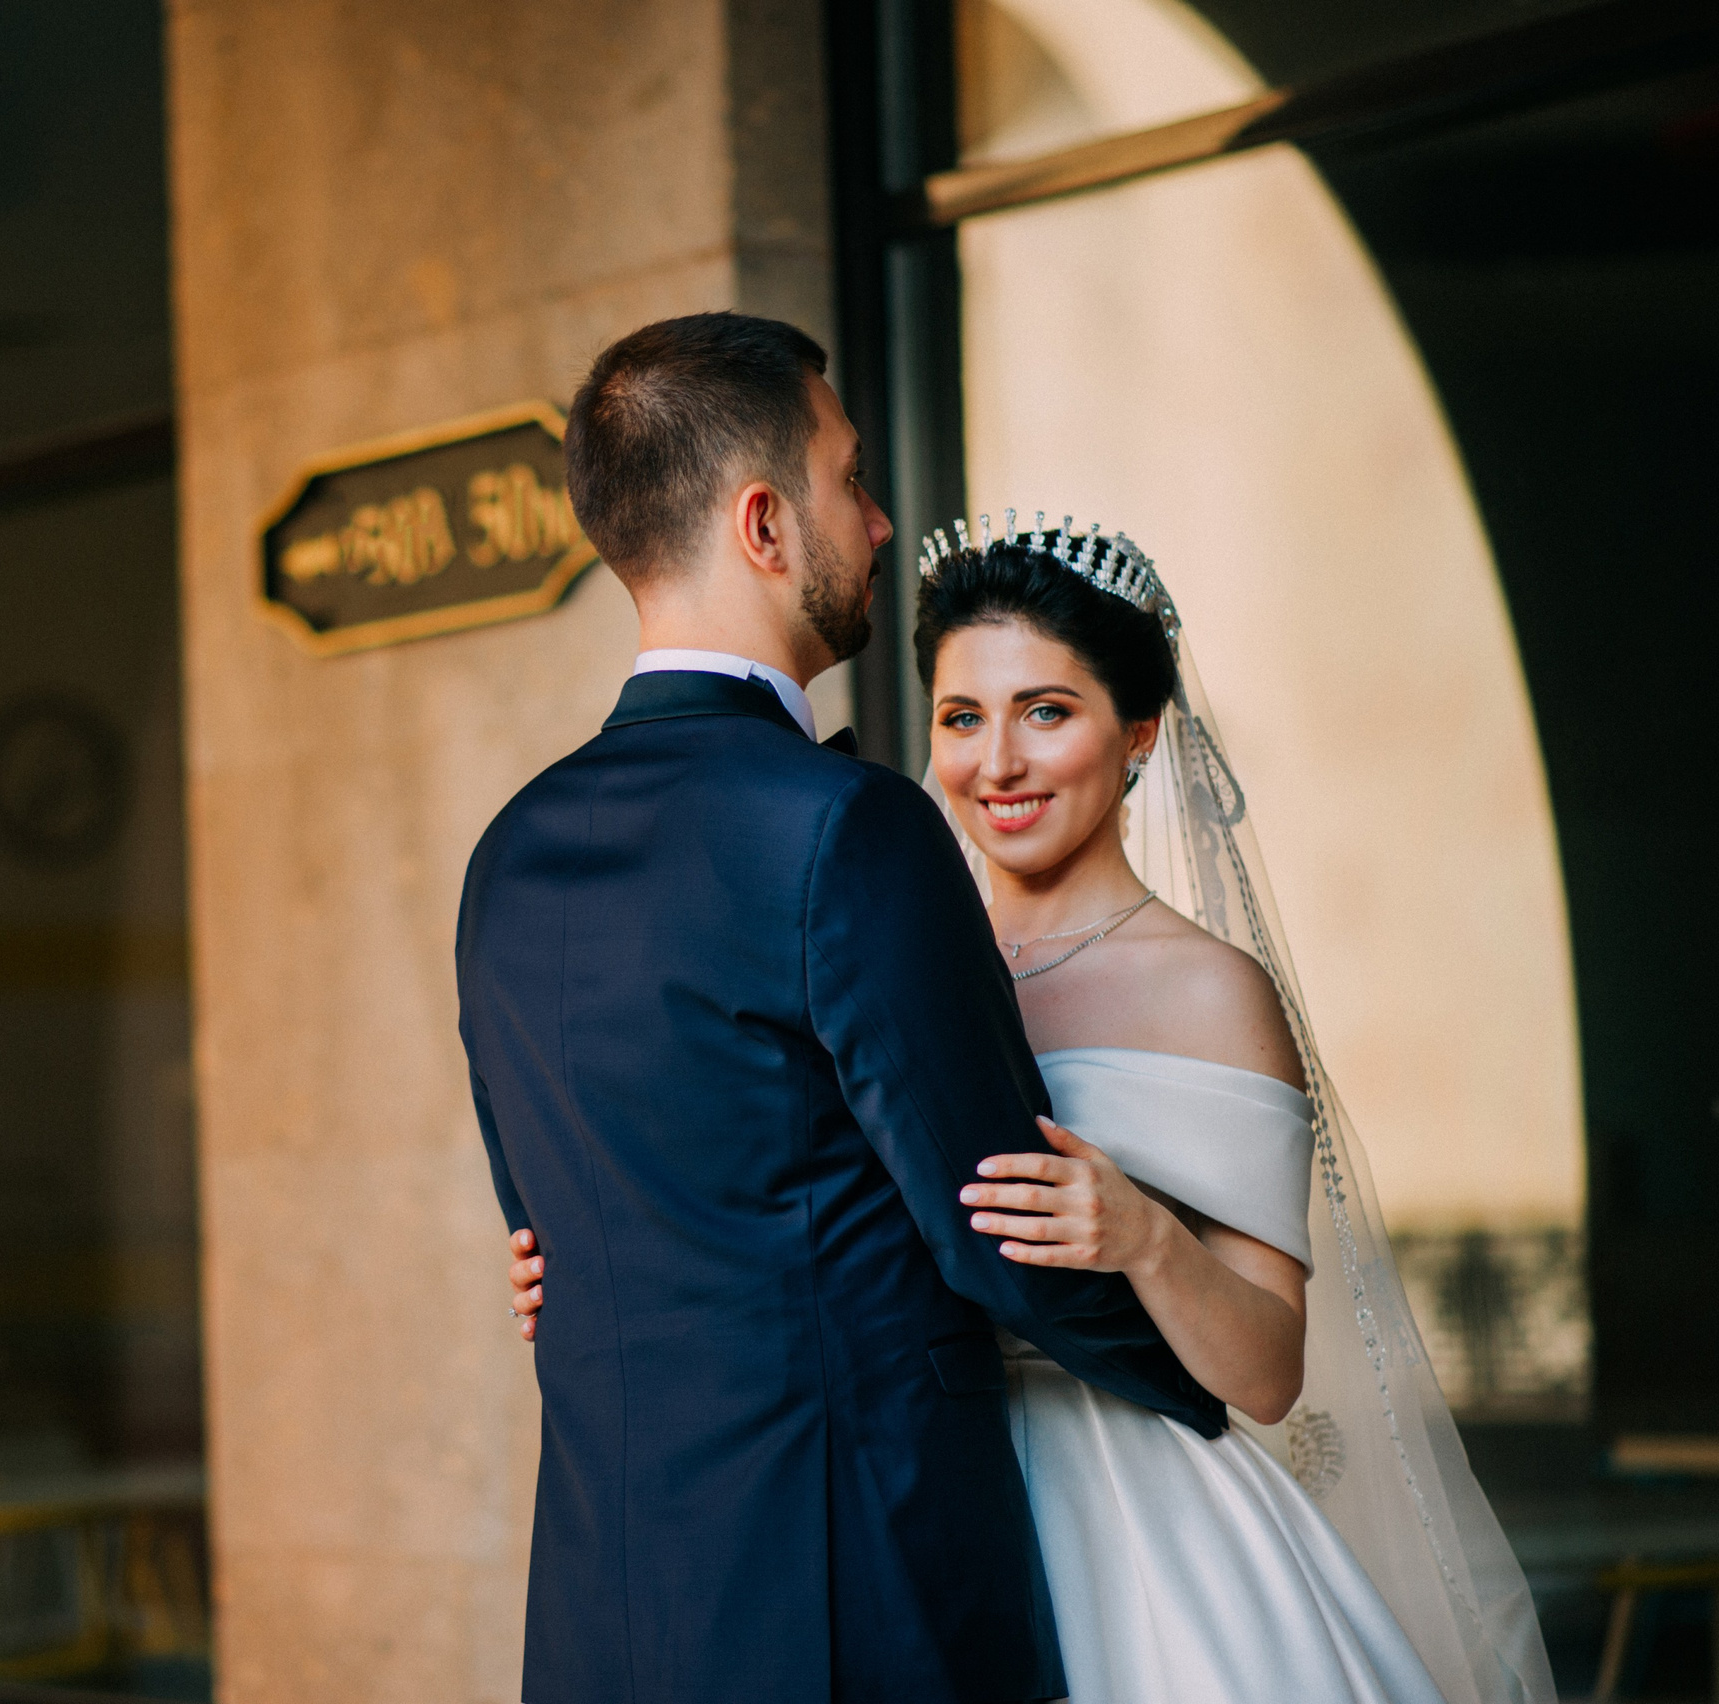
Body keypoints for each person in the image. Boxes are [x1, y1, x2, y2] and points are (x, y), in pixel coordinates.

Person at [508, 512, 1558, 1703]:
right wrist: (594, 1250)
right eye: (962, 718)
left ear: (1139, 733)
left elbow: (1269, 1372)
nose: (996, 764)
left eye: (1045, 712)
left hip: (1134, 1525)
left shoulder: (1208, 992)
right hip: (893, 1492)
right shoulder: (877, 955)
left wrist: (1143, 1236)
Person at [456, 311, 1220, 1704]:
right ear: (763, 523)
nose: (876, 524)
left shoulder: (506, 854)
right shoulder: (841, 827)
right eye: (850, 478)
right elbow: (995, 1217)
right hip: (854, 1592)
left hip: (603, 1610)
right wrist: (1207, 1384)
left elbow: (544, 1241)